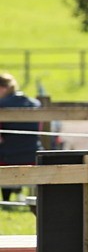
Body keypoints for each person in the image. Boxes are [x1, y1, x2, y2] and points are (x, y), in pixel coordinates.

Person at [0, 73, 41, 204]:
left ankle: (6, 200)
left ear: (4, 88)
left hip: (8, 154)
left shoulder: (2, 105)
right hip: (33, 151)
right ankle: (19, 194)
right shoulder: (34, 104)